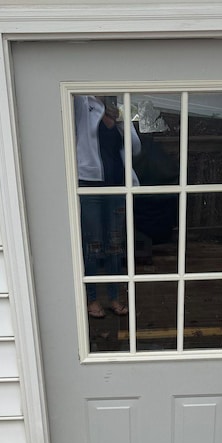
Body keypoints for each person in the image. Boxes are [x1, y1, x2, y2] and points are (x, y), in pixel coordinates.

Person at [74, 95, 141, 318]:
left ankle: (113, 297)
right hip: (89, 186)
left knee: (115, 245)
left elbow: (135, 148)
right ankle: (91, 298)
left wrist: (120, 121)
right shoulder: (83, 104)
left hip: (116, 188)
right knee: (92, 245)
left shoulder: (119, 109)